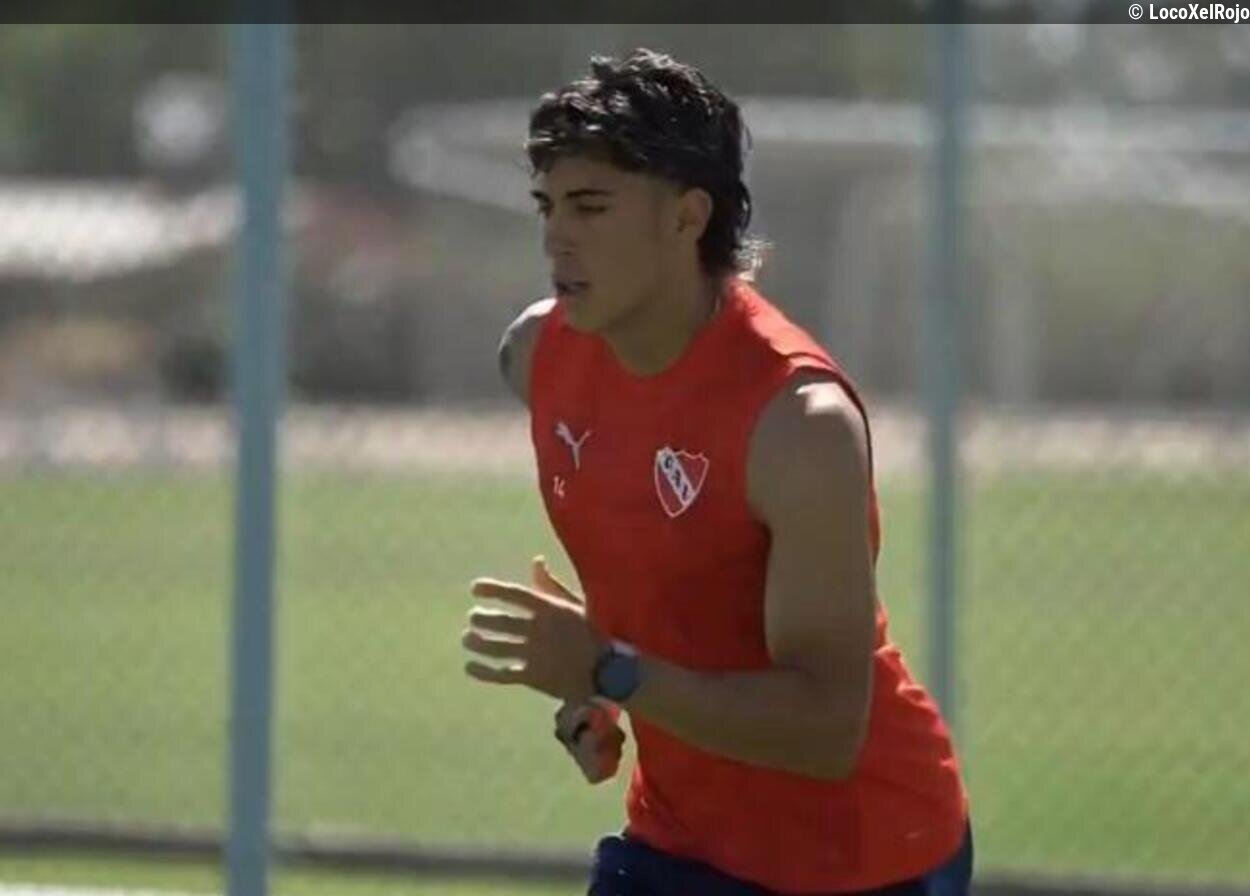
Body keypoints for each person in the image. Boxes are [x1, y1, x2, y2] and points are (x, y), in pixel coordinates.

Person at [462, 48, 971, 896]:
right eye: (548, 205)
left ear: (687, 216)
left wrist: (610, 669)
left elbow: (825, 729)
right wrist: (602, 691)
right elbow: (677, 578)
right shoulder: (536, 356)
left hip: (861, 858)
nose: (556, 237)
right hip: (680, 843)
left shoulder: (800, 426)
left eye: (591, 206)